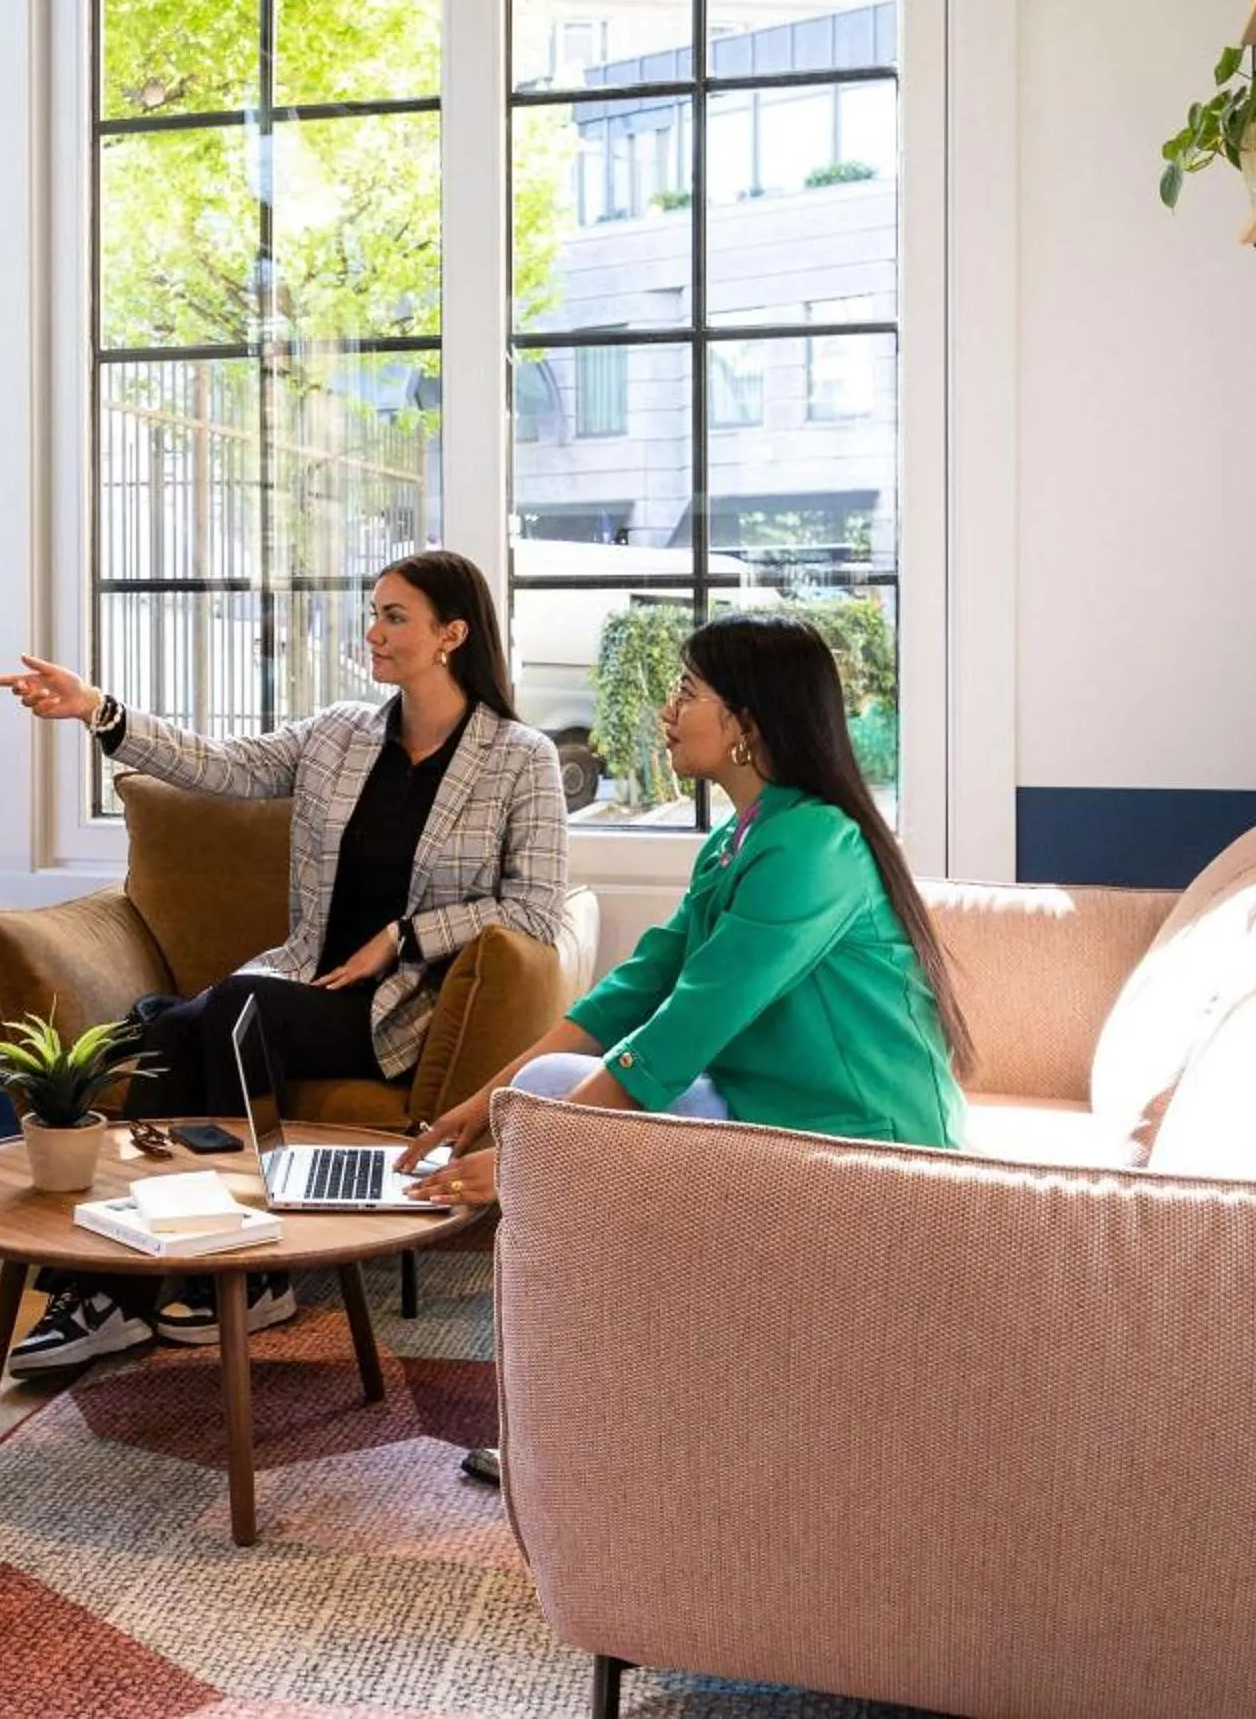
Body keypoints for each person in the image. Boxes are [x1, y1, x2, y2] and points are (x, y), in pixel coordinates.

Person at [396, 610, 972, 1484]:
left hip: (853, 1135)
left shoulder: (816, 844)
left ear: (746, 721)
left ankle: (580, 1432)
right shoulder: (739, 838)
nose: (666, 711)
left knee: (576, 1150)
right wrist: (484, 1105)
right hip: (769, 1107)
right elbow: (635, 990)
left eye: (687, 691)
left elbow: (688, 1026)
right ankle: (572, 1418)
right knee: (553, 1081)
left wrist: (532, 1159)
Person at [0, 549, 570, 1374]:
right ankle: (138, 1283)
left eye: (395, 616)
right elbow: (220, 766)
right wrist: (98, 709)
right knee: (185, 1030)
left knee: (208, 1017)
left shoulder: (520, 758)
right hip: (302, 978)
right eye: (374, 611)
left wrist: (403, 938)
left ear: (452, 634)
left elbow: (536, 907)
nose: (373, 630)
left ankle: (157, 1287)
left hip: (394, 1009)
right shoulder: (338, 735)